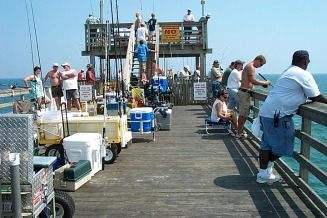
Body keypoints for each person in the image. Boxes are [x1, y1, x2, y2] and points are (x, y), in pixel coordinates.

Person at [257, 50, 327, 184]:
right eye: (308, 61)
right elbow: (315, 96)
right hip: (278, 116)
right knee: (285, 147)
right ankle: (265, 171)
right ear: (305, 61)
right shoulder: (303, 73)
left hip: (266, 112)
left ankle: (263, 174)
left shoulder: (288, 71)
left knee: (266, 145)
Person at [237, 55, 269, 138]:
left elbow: (249, 81)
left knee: (244, 114)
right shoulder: (251, 67)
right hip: (244, 93)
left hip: (245, 92)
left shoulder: (248, 66)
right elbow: (253, 81)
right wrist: (264, 83)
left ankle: (240, 131)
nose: (260, 67)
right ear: (257, 60)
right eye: (261, 64)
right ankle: (238, 133)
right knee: (242, 114)